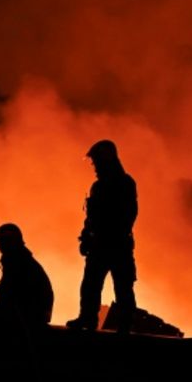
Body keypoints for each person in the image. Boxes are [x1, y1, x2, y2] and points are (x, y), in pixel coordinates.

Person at [66, 140, 138, 333]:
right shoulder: (98, 186)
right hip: (101, 245)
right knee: (90, 285)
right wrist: (86, 237)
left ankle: (124, 325)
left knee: (122, 287)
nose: (94, 167)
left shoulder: (125, 184)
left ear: (106, 160)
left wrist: (107, 235)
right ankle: (87, 319)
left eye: (96, 162)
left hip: (117, 245)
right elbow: (91, 217)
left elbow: (129, 215)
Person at [0, 223, 54, 326]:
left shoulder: (19, 263)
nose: (0, 246)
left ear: (12, 242)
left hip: (29, 314)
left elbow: (15, 295)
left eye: (2, 242)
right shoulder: (18, 260)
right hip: (29, 313)